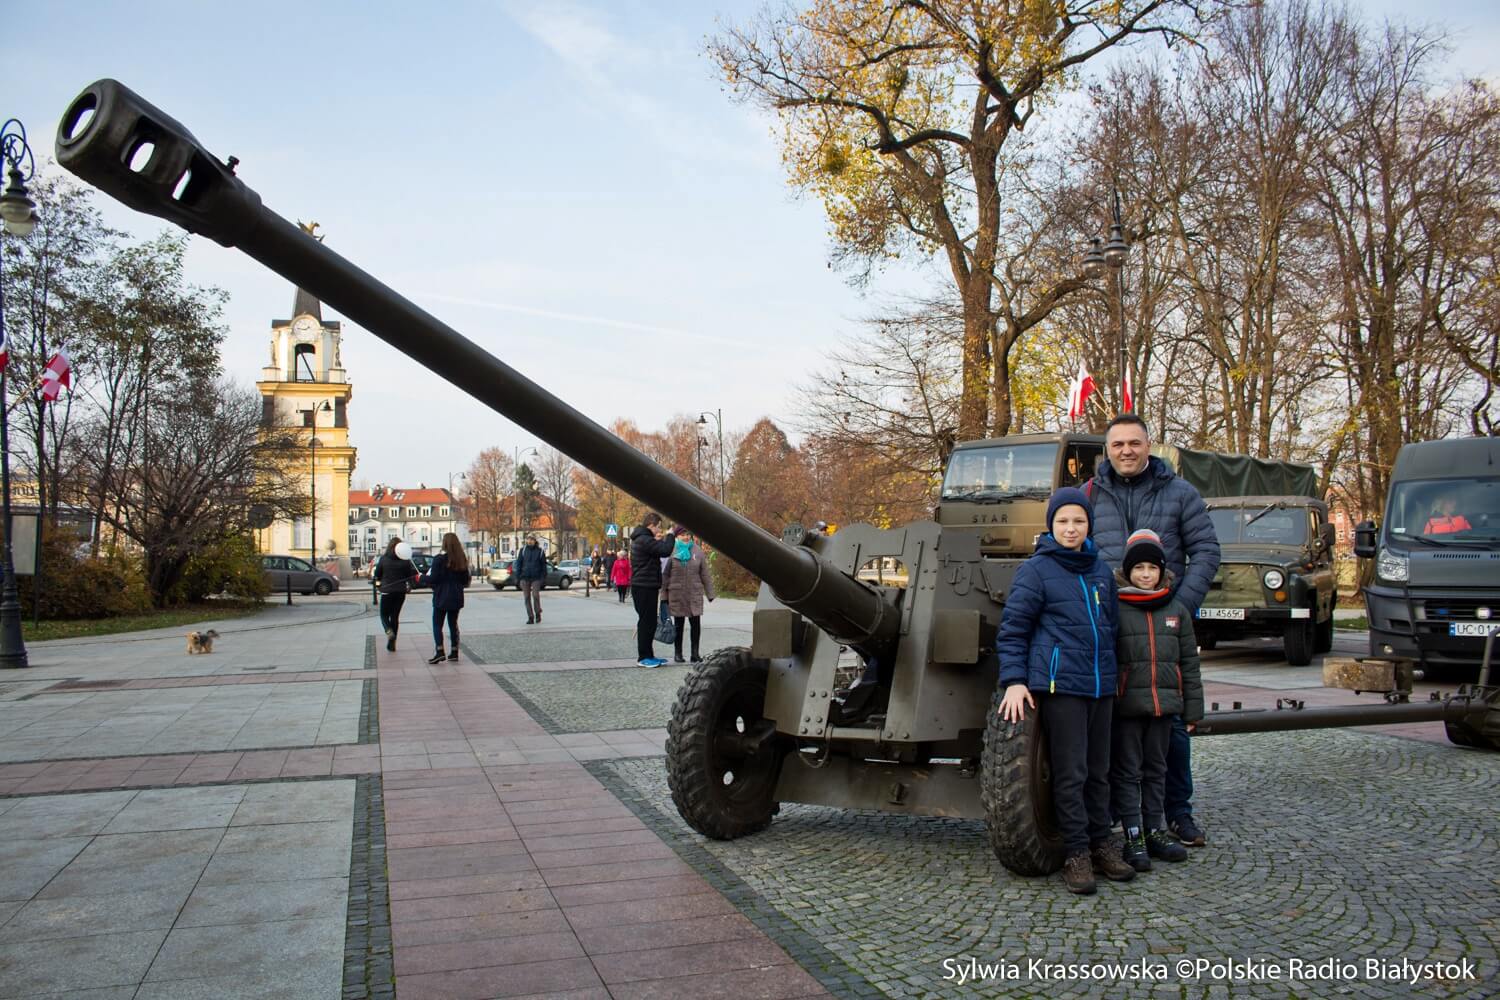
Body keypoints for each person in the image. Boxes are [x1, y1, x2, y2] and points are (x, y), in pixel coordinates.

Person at [1085, 414, 1220, 848]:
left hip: (1162, 622)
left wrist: (1182, 605)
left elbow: (1206, 550)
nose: (1126, 450)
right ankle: (1118, 815)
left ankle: (1176, 812)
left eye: (1134, 443)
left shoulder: (1180, 493)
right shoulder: (1088, 495)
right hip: (1110, 624)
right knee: (1112, 722)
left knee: (1171, 724)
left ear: (1148, 446)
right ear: (1107, 449)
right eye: (1118, 444)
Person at [997, 487, 1134, 894]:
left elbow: (1110, 629)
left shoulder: (1100, 571)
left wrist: (1114, 677)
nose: (1070, 528)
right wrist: (1015, 680)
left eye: (1078, 521)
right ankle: (1076, 852)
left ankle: (1101, 843)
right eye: (1062, 521)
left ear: (1089, 525)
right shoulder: (1036, 571)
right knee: (1071, 774)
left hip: (1099, 686)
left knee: (1098, 772)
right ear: (1051, 526)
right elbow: (1014, 629)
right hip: (1062, 687)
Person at [1109, 528, 1204, 873]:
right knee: (1127, 773)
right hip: (1128, 708)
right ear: (1128, 571)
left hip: (1164, 708)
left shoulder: (1176, 610)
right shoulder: (1116, 608)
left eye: (1152, 568)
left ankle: (1154, 830)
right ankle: (1132, 834)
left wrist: (1192, 709)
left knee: (1157, 771)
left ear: (1162, 571)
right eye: (1139, 568)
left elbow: (1189, 663)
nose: (1146, 574)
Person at [629, 513, 681, 668]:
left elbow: (659, 550)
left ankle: (649, 655)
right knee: (646, 622)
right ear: (651, 525)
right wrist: (671, 535)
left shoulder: (643, 539)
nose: (659, 530)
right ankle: (643, 657)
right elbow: (665, 550)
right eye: (658, 526)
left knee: (650, 622)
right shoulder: (644, 539)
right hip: (644, 586)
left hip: (646, 585)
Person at [661, 529, 716, 663]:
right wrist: (663, 596)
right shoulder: (671, 551)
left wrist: (710, 593)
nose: (686, 537)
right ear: (677, 536)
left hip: (694, 593)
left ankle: (695, 654)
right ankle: (678, 654)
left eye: (688, 535)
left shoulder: (697, 551)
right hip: (677, 593)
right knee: (678, 625)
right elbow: (665, 575)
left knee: (695, 625)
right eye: (682, 535)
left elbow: (705, 574)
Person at [420, 532, 472, 664]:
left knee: (437, 624)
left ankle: (440, 651)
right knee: (453, 624)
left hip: (441, 595)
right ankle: (454, 651)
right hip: (456, 596)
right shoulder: (461, 560)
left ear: (444, 544)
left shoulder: (439, 559)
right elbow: (465, 580)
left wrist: (421, 578)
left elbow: (433, 578)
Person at [372, 538, 418, 652]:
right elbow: (409, 576)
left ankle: (388, 630)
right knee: (395, 617)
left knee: (383, 615)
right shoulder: (405, 560)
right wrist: (409, 586)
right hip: (400, 592)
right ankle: (392, 644)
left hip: (387, 591)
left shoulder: (384, 559)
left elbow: (377, 575)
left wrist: (378, 585)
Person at [514, 534, 547, 624]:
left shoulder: (540, 551)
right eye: (528, 539)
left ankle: (538, 613)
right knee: (526, 597)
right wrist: (517, 577)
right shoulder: (523, 550)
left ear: (535, 541)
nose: (530, 541)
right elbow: (519, 564)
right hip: (524, 577)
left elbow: (543, 566)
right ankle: (530, 617)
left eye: (532, 539)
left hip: (536, 577)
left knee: (535, 595)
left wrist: (543, 578)